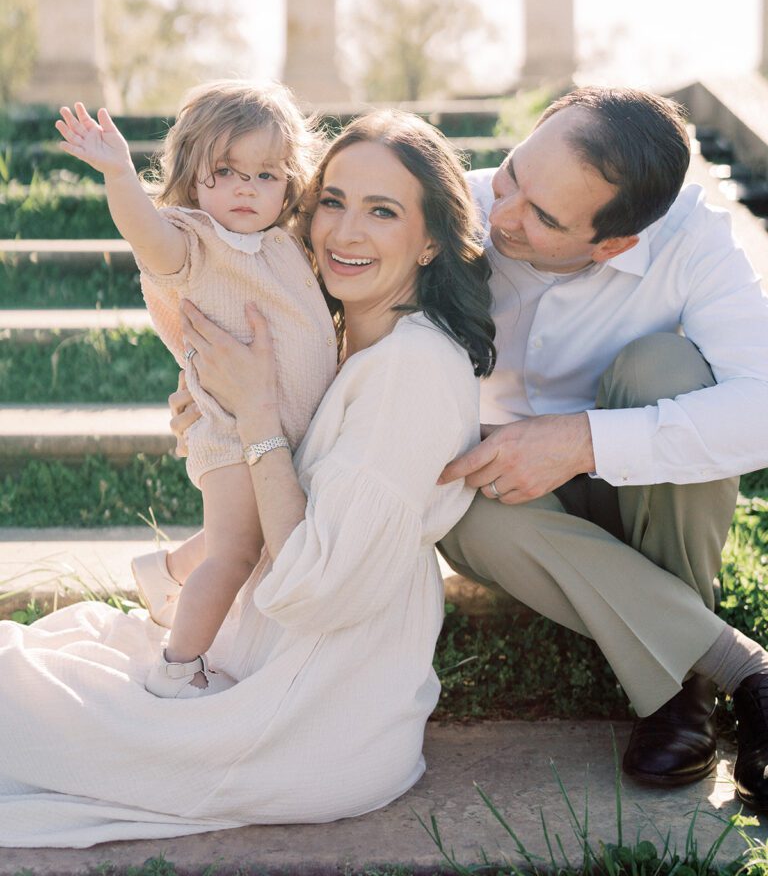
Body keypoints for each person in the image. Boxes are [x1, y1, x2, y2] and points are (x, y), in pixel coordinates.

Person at [0, 110, 496, 847]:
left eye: (382, 211)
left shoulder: (410, 374)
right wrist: (222, 403)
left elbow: (312, 587)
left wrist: (257, 411)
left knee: (18, 704)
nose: (344, 233)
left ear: (429, 241)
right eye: (333, 201)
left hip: (309, 720)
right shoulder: (346, 345)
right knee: (49, 659)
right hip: (277, 674)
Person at [438, 86, 768, 810]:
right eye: (515, 174)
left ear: (616, 242)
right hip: (515, 513)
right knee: (460, 499)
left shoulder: (687, 237)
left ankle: (673, 690)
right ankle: (720, 671)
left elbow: (762, 409)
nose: (505, 214)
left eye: (545, 217)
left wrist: (583, 440)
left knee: (666, 368)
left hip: (640, 494)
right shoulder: (454, 207)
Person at [55, 82, 337, 697]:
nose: (245, 188)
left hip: (283, 430)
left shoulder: (284, 244)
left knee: (256, 534)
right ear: (193, 176)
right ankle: (178, 667)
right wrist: (120, 176)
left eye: (266, 175)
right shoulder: (193, 241)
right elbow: (145, 235)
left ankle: (164, 574)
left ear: (290, 184)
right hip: (234, 435)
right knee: (236, 554)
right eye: (226, 171)